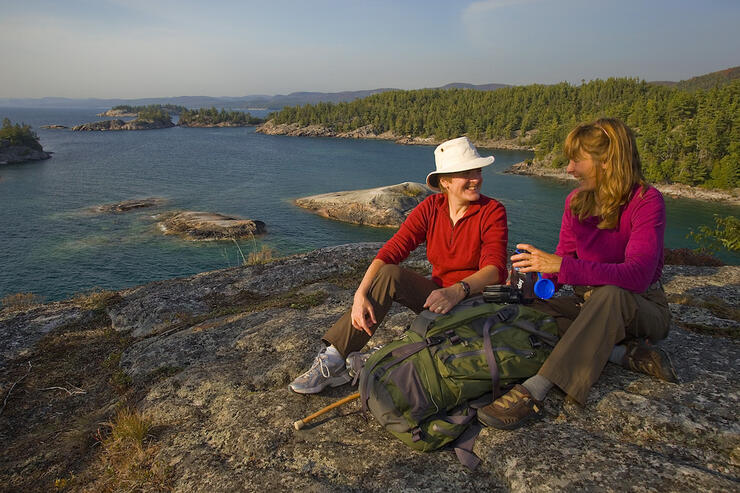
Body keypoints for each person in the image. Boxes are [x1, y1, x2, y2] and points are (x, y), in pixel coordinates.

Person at [478, 117, 678, 430]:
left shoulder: (645, 201)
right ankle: (617, 353)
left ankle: (536, 390)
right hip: (588, 305)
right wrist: (535, 279)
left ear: (607, 161)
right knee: (518, 308)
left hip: (641, 307)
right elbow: (562, 265)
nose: (569, 169)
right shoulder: (576, 203)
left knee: (611, 295)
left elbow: (638, 275)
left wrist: (562, 266)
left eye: (577, 160)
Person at [290, 136, 508, 394]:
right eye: (466, 173)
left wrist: (457, 290)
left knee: (434, 346)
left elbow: (494, 270)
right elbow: (393, 249)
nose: (476, 178)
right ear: (445, 182)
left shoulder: (492, 211)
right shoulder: (431, 207)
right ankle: (334, 358)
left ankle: (373, 362)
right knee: (390, 274)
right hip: (436, 299)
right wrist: (360, 293)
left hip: (473, 303)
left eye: (478, 170)